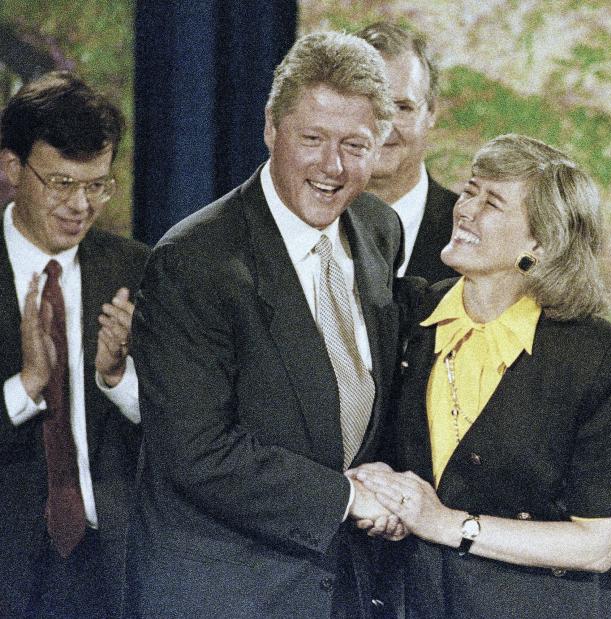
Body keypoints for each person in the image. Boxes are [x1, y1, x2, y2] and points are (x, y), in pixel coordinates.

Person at [126, 32, 405, 618]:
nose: (333, 166)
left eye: (355, 144)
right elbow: (197, 452)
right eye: (313, 139)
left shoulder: (378, 229)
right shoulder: (194, 261)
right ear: (270, 129)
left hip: (343, 588)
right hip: (227, 591)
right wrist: (349, 498)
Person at [355, 133, 611, 618]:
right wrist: (374, 485)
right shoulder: (409, 315)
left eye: (493, 202)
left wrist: (446, 524)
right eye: (469, 190)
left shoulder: (598, 355)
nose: (465, 209)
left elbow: (597, 544)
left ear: (541, 241)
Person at [0, 71, 148, 618]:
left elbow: (182, 423)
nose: (82, 205)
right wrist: (25, 387)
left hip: (110, 563)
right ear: (12, 168)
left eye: (97, 185)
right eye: (62, 184)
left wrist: (118, 380)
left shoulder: (136, 270)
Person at [356, 20, 459, 283]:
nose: (383, 127)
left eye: (402, 107)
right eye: (369, 105)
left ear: (432, 112)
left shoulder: (472, 232)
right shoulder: (302, 223)